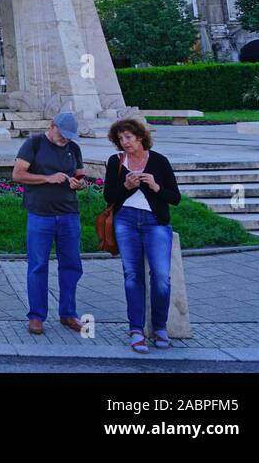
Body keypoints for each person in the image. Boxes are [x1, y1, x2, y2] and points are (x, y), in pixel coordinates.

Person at [104, 118, 182, 353]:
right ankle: (136, 329)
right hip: (125, 221)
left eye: (128, 137)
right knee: (131, 276)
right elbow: (109, 196)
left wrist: (156, 187)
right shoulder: (115, 161)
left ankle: (159, 328)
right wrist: (126, 187)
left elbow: (175, 198)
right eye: (120, 139)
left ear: (140, 137)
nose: (124, 142)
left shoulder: (159, 161)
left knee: (161, 277)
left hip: (154, 223)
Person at [13, 112, 89, 335]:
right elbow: (18, 174)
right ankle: (36, 316)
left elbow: (82, 177)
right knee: (38, 266)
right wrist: (47, 178)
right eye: (62, 134)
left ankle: (68, 313)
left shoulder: (73, 148)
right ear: (52, 125)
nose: (65, 139)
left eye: (69, 136)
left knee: (72, 265)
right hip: (40, 214)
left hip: (69, 214)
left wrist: (79, 184)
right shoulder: (34, 143)